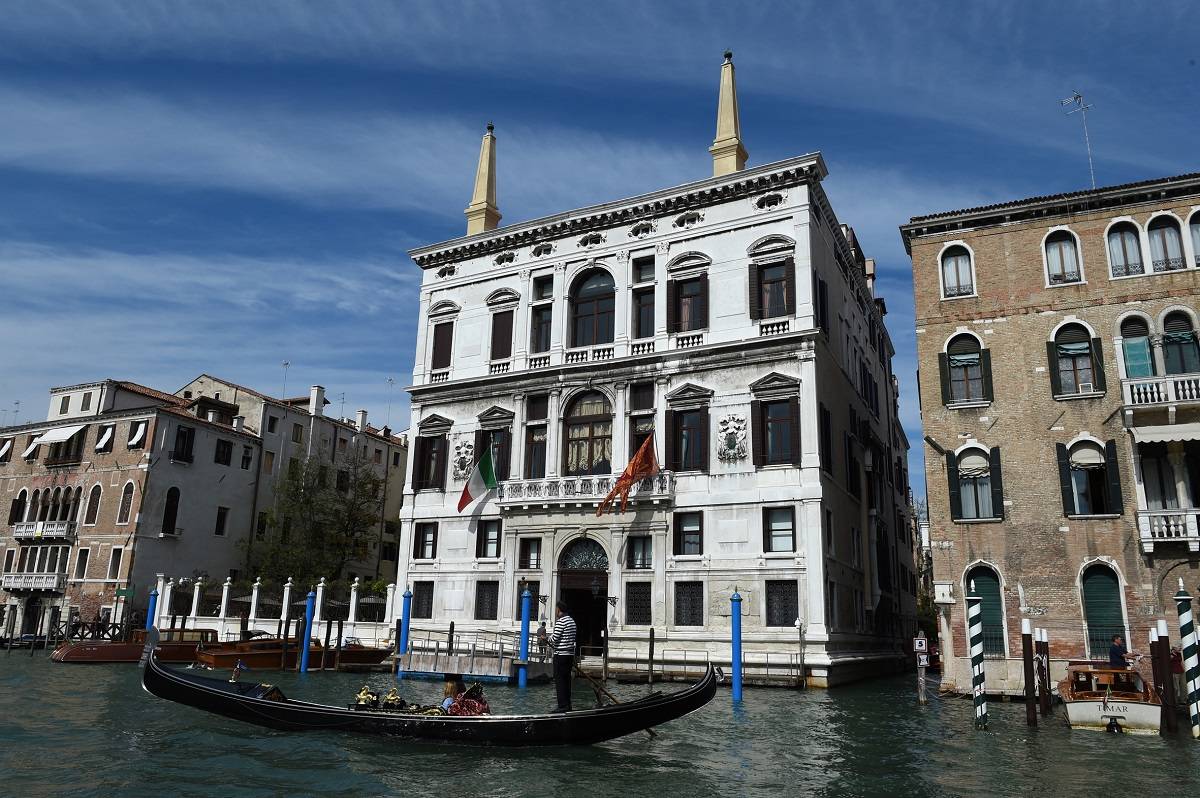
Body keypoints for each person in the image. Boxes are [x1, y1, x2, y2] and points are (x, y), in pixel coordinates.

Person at [547, 601, 577, 713]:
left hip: (560, 656)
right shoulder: (572, 621)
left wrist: (546, 638)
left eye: (556, 609)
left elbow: (554, 638)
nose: (555, 611)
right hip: (569, 655)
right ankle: (568, 705)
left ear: (559, 609)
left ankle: (562, 706)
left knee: (559, 680)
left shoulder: (561, 622)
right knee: (567, 680)